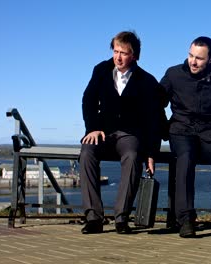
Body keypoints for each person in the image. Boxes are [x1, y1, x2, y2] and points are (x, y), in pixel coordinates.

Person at [79, 31, 165, 234]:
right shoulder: (100, 70)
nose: (118, 57)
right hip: (101, 131)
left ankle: (121, 218)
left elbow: (153, 119)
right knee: (86, 152)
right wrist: (92, 128)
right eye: (115, 51)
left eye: (123, 53)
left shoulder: (146, 81)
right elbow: (88, 100)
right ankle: (93, 218)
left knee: (133, 155)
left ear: (134, 56)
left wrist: (151, 152)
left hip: (129, 134)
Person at [160, 36, 211, 239]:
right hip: (181, 131)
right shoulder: (173, 74)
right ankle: (186, 221)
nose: (193, 61)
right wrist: (164, 129)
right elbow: (155, 103)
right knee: (185, 160)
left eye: (199, 58)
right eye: (190, 55)